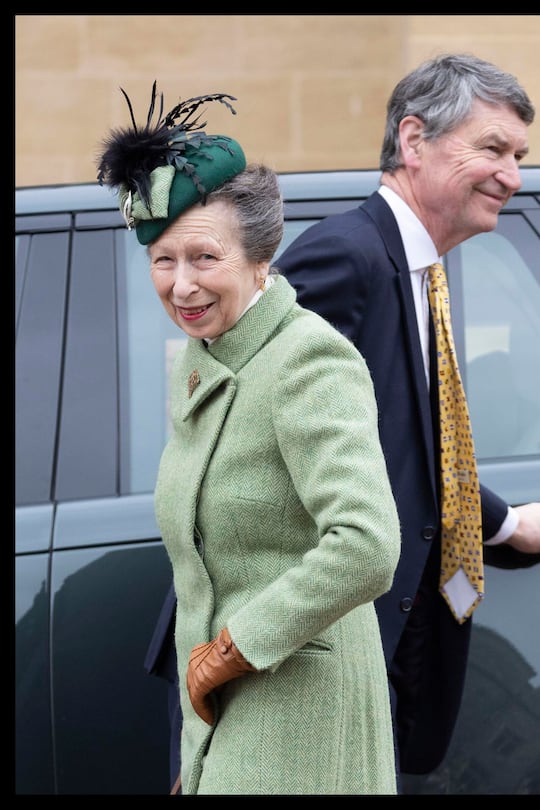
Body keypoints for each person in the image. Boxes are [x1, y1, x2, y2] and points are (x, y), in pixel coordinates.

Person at [97, 84, 402, 795]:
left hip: (299, 709)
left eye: (204, 258)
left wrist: (232, 650)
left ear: (262, 258)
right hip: (227, 715)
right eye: (163, 260)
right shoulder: (206, 358)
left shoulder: (306, 359)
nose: (181, 286)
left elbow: (367, 544)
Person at [276, 52, 540, 778]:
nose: (512, 177)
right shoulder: (345, 257)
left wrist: (505, 524)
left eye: (518, 157)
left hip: (385, 653)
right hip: (318, 662)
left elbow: (409, 446)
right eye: (493, 149)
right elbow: (269, 449)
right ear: (415, 140)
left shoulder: (418, 271)